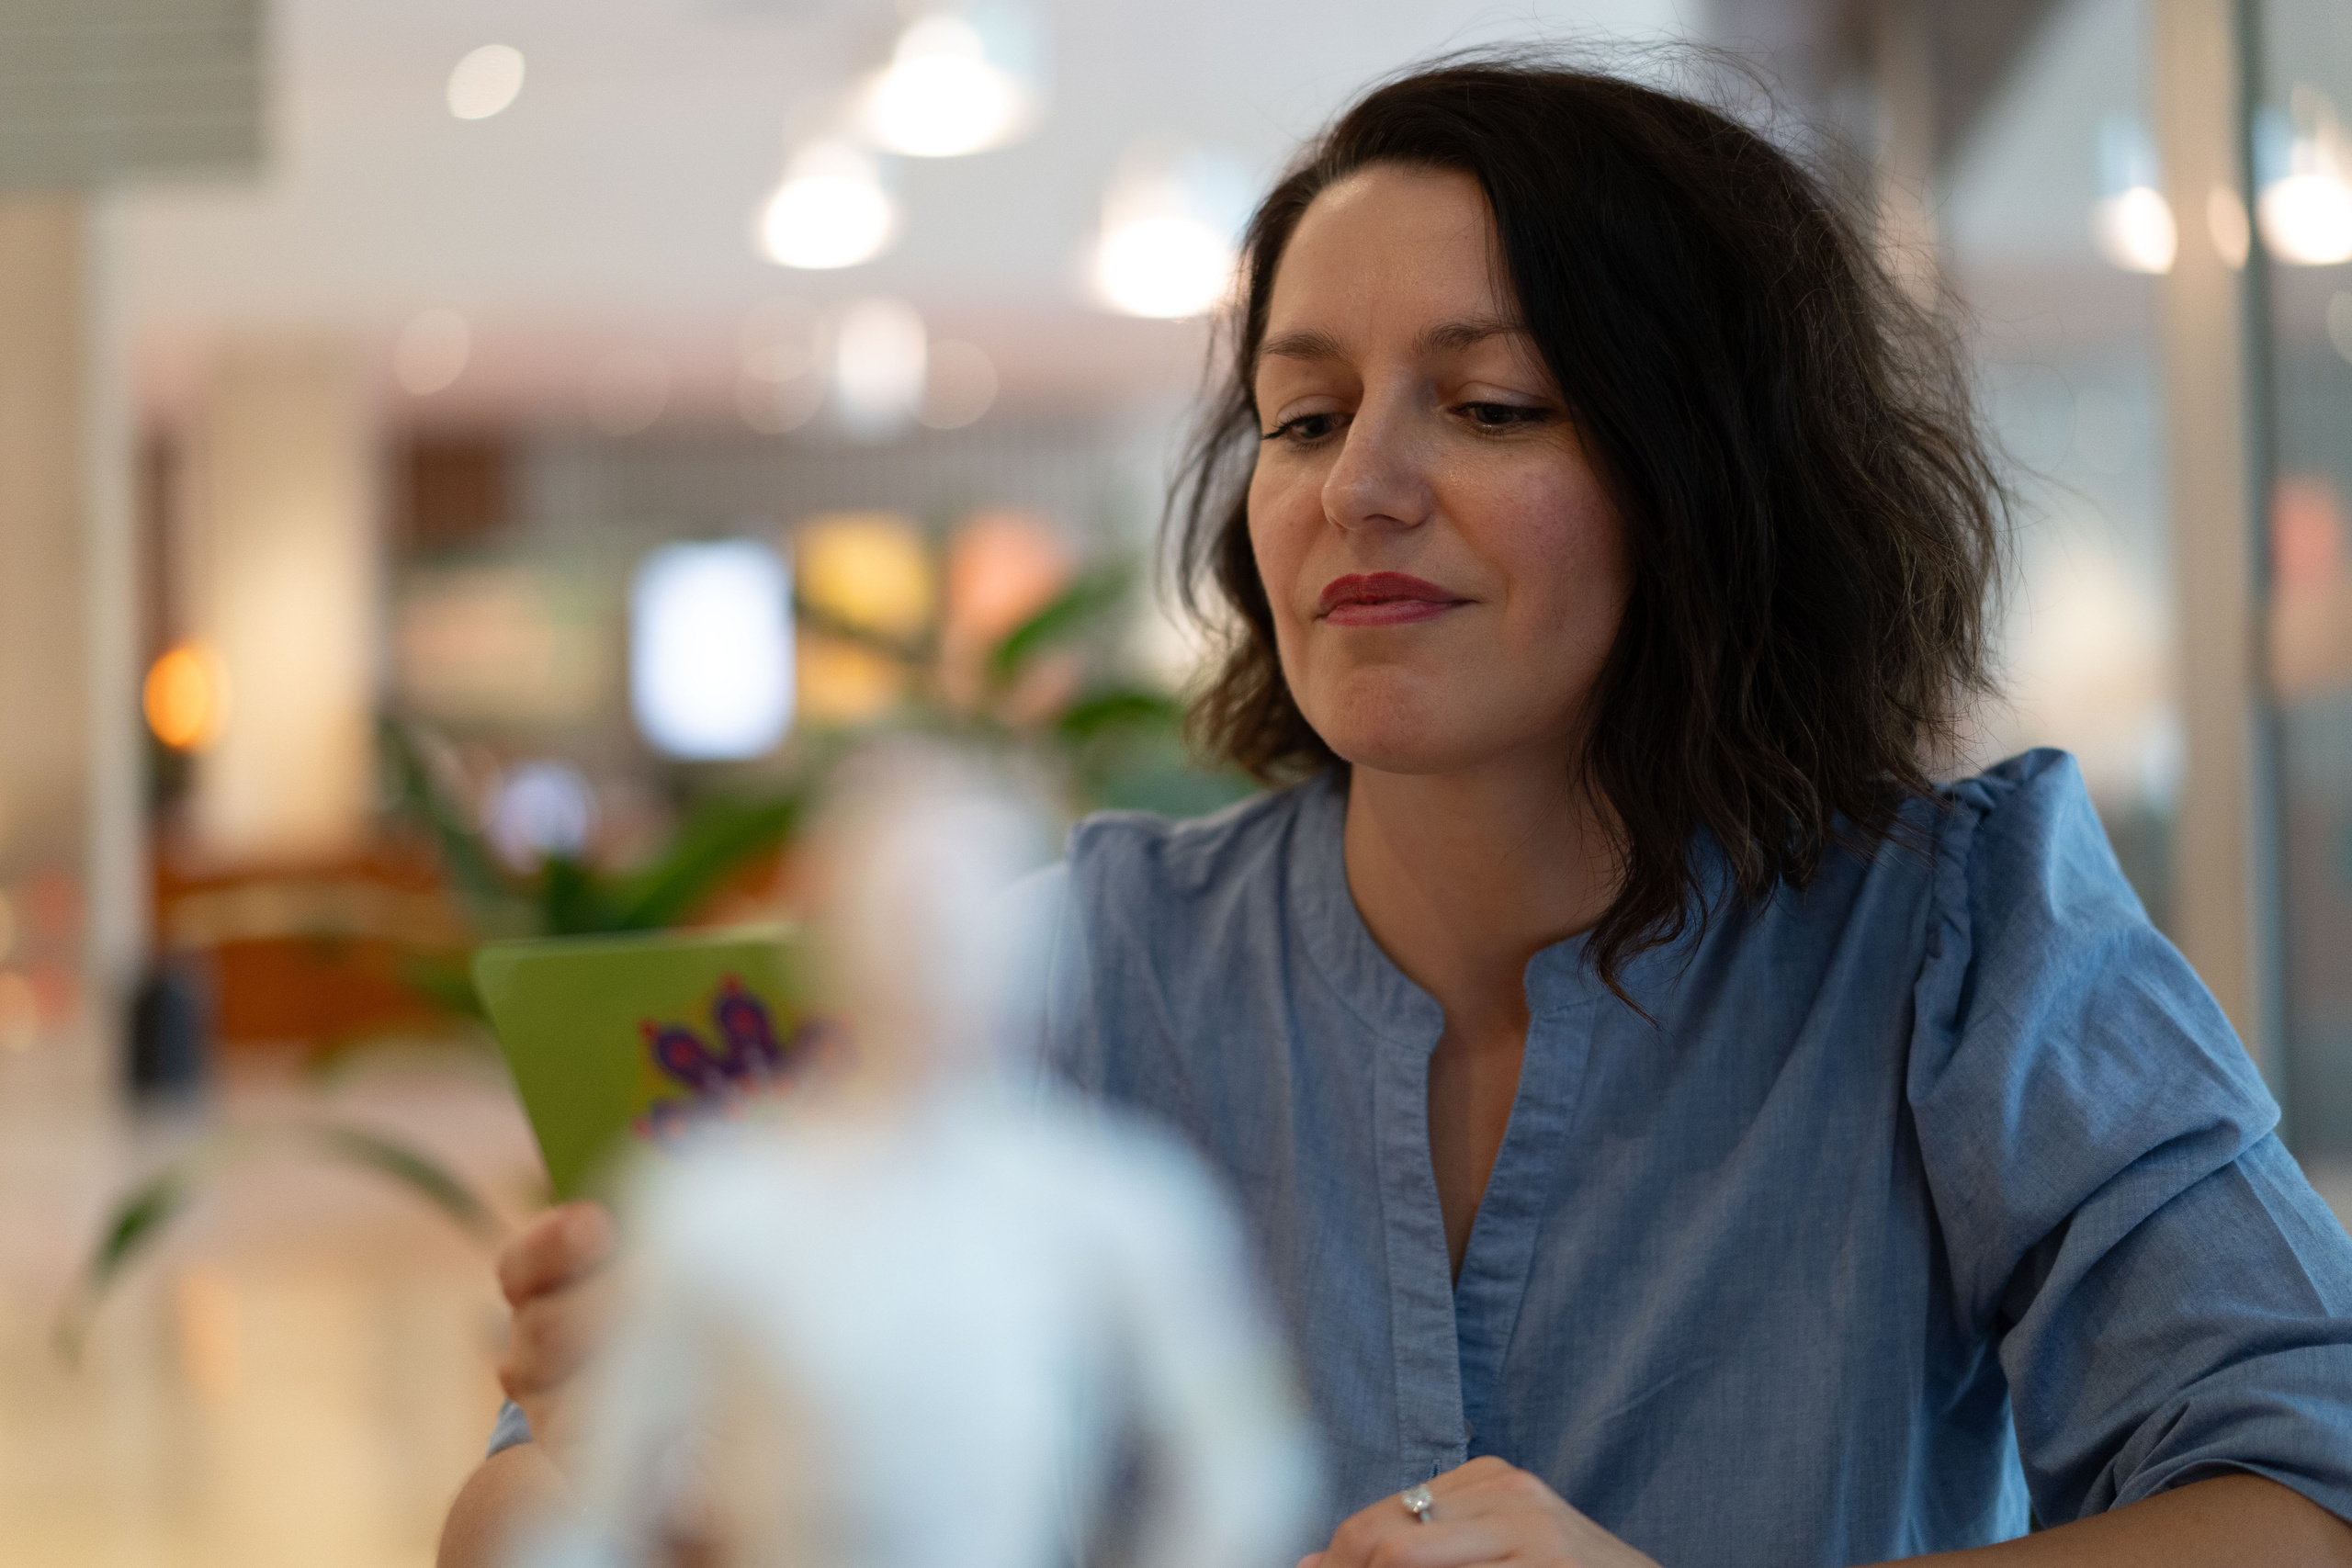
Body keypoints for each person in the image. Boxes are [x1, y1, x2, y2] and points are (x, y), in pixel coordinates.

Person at [440, 55, 2352, 1568]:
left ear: (1709, 481)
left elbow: (2304, 1487)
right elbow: (522, 1512)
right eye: (1299, 414)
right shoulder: (1065, 961)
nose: (1357, 484)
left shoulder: (1956, 938)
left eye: (1490, 404)